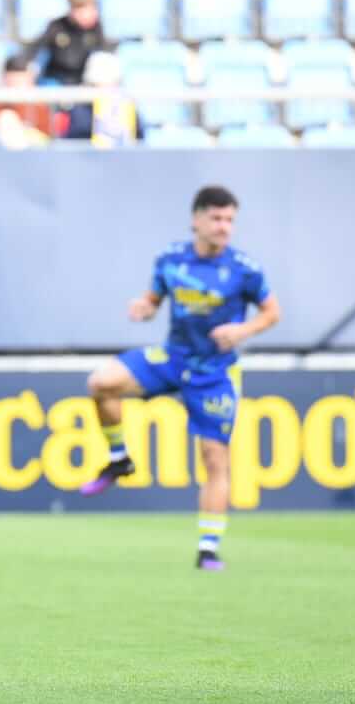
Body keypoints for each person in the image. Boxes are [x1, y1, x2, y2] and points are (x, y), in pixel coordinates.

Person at [79, 186, 280, 572]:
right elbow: (154, 300)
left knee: (214, 457)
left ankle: (208, 549)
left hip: (214, 372)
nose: (224, 227)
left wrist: (243, 331)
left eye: (230, 220)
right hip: (173, 358)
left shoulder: (245, 269)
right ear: (197, 220)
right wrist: (144, 307)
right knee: (101, 383)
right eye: (217, 219)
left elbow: (272, 313)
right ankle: (119, 460)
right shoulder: (170, 260)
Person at [18, 0, 107, 87]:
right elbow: (35, 48)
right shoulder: (57, 26)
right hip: (55, 79)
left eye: (93, 9)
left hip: (84, 82)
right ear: (73, 10)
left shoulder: (96, 29)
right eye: (83, 10)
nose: (90, 14)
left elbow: (104, 53)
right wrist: (24, 67)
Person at [60, 50, 141, 146]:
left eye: (113, 83)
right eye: (99, 83)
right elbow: (74, 140)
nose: (107, 87)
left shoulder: (127, 108)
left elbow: (138, 139)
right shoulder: (82, 110)